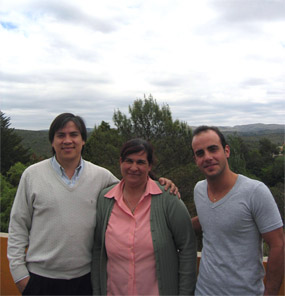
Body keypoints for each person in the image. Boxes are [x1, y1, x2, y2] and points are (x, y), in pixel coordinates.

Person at [7, 113, 178, 296]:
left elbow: (132, 186)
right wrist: (20, 276)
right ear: (52, 141)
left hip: (85, 281)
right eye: (60, 135)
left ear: (83, 140)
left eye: (74, 135)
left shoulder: (101, 176)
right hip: (40, 280)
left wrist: (161, 183)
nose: (67, 140)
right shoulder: (32, 175)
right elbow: (18, 226)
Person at [92, 138, 197, 295]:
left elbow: (187, 247)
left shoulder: (168, 199)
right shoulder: (105, 199)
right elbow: (98, 249)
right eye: (129, 161)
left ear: (149, 166)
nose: (134, 167)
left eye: (140, 162)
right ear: (120, 162)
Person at [191, 125, 284, 296]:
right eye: (200, 153)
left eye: (213, 149)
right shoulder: (199, 190)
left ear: (226, 151)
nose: (208, 157)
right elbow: (209, 219)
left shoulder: (255, 192)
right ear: (196, 159)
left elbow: (278, 244)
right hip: (203, 291)